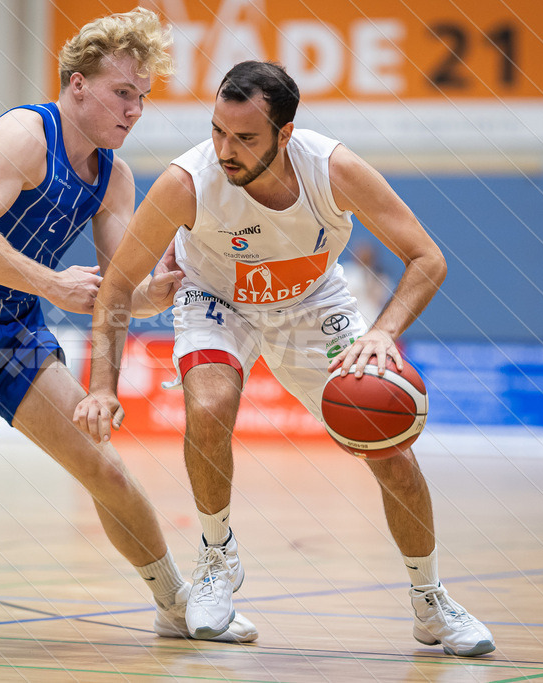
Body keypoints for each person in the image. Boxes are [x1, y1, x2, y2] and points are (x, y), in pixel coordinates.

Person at [0, 8, 257, 643]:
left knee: (105, 471)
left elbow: (113, 291)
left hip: (10, 329)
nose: (134, 110)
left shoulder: (113, 175)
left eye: (142, 97)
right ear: (77, 83)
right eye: (122, 93)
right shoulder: (25, 135)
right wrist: (53, 284)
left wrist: (153, 294)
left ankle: (175, 603)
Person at [75, 60, 495, 656]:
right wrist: (103, 386)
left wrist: (383, 332)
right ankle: (218, 558)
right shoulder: (187, 182)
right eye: (218, 130)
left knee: (391, 454)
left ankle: (431, 602)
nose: (225, 148)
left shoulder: (334, 170)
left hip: (313, 303)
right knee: (211, 403)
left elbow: (427, 257)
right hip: (217, 296)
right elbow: (117, 287)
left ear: (286, 134)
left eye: (245, 137)